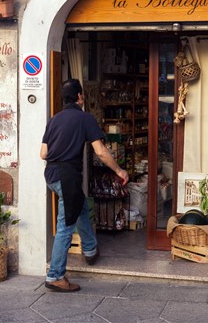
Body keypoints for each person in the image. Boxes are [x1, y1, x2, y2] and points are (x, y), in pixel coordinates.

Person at [40, 79, 129, 292]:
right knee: (65, 226)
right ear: (80, 96)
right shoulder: (85, 118)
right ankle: (55, 276)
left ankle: (89, 250)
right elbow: (100, 151)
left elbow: (43, 153)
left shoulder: (54, 120)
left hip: (51, 175)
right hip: (67, 176)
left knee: (78, 207)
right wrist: (119, 170)